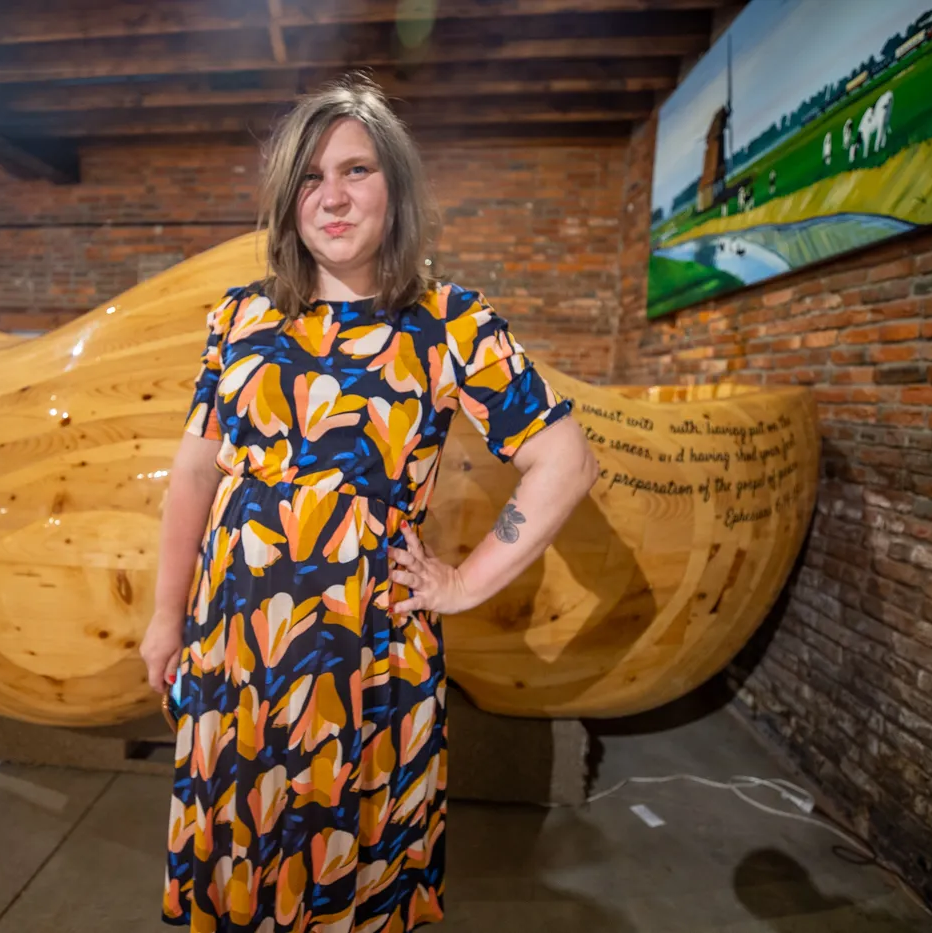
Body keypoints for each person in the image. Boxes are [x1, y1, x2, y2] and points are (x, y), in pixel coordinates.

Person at [139, 74, 599, 932]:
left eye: (356, 170)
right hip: (237, 647)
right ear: (288, 200)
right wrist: (167, 615)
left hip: (367, 653)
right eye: (311, 178)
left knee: (353, 877)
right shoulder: (239, 320)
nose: (334, 196)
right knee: (243, 867)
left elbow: (564, 460)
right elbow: (197, 472)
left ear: (396, 186)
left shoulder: (451, 323)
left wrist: (466, 583)